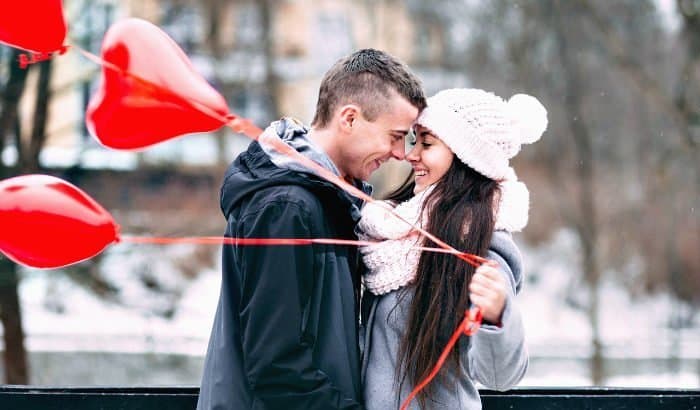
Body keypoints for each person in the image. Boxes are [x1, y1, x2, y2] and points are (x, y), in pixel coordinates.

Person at [197, 49, 426, 410]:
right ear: (349, 118)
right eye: (395, 136)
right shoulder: (287, 207)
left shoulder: (328, 200)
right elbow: (276, 366)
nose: (400, 153)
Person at [358, 88, 547, 409]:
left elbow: (501, 377)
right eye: (414, 140)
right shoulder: (391, 232)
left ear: (466, 157)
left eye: (427, 143)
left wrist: (496, 315)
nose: (411, 154)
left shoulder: (481, 244)